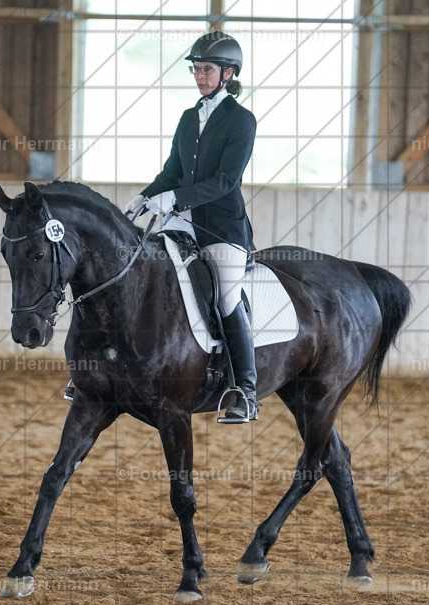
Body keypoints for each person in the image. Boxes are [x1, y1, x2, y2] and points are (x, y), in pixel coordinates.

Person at [124, 32, 259, 423]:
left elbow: (225, 181)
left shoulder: (241, 120)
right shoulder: (188, 118)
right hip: (181, 223)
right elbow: (172, 172)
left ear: (228, 73)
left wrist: (175, 198)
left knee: (226, 297)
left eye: (207, 70)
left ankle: (245, 390)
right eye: (196, 69)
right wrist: (146, 196)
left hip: (221, 229)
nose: (200, 76)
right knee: (139, 273)